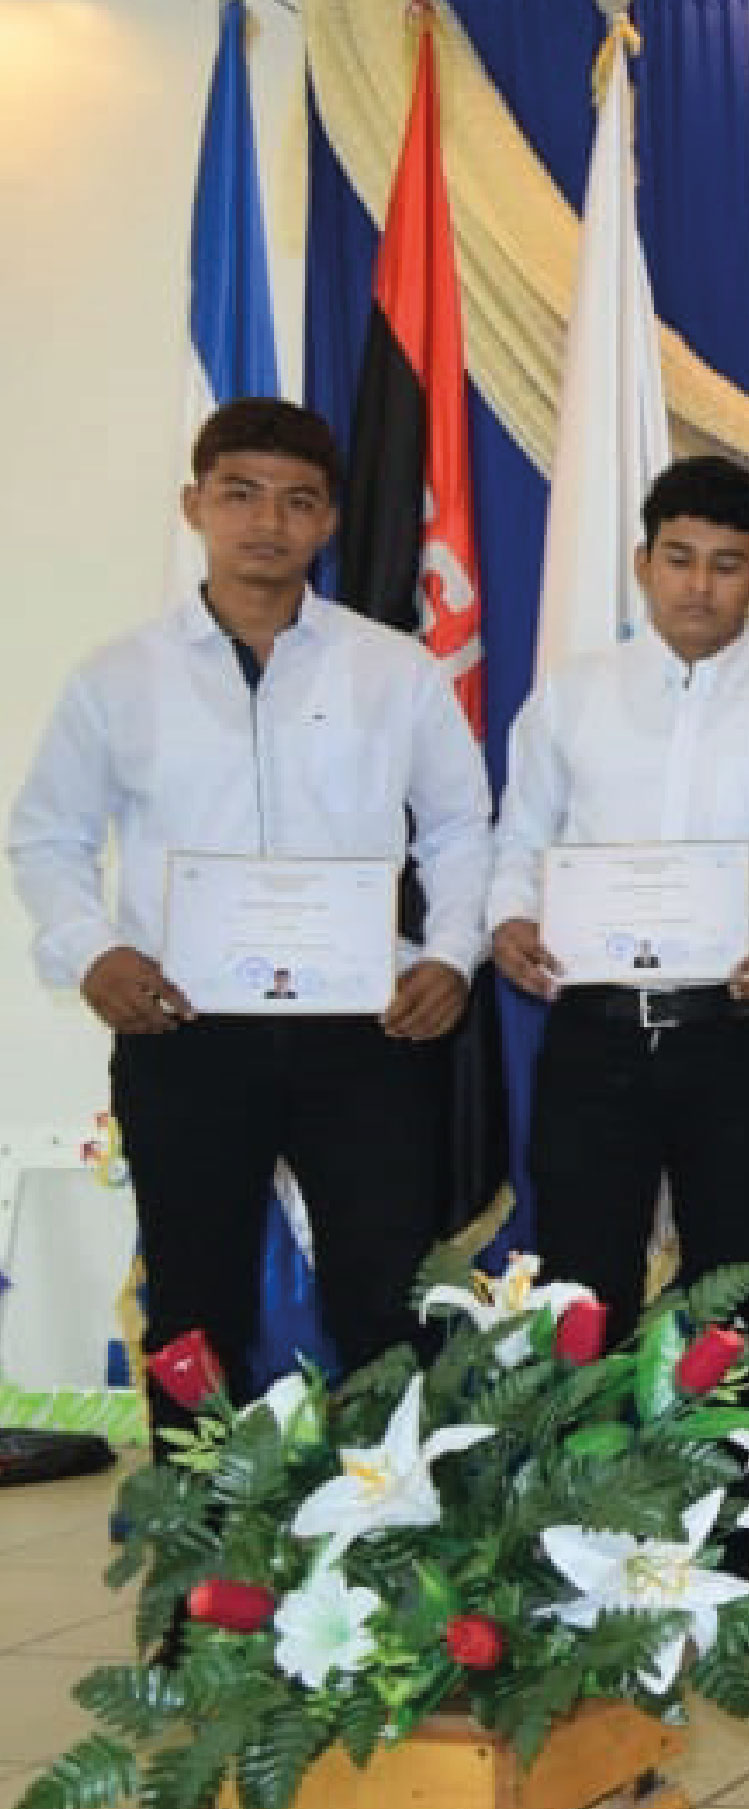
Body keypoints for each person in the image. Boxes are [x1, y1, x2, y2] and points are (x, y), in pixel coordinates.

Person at [9, 397, 491, 1427]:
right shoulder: (119, 676)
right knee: (193, 1304)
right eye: (241, 494)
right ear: (196, 504)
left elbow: (461, 828)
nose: (268, 522)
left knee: (385, 1300)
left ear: (327, 521)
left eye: (298, 500)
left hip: (367, 1031)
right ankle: (207, 1564)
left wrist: (450, 954)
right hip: (182, 1027)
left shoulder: (391, 668)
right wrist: (93, 953)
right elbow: (45, 836)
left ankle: (387, 1559)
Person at [486, 457, 749, 1578]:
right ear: (642, 562)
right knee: (584, 1276)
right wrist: (507, 920)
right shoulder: (573, 694)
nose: (698, 585)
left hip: (733, 1031)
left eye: (727, 565)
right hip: (593, 1031)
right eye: (678, 558)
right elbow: (517, 839)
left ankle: (718, 1539)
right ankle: (581, 1530)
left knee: (737, 1278)